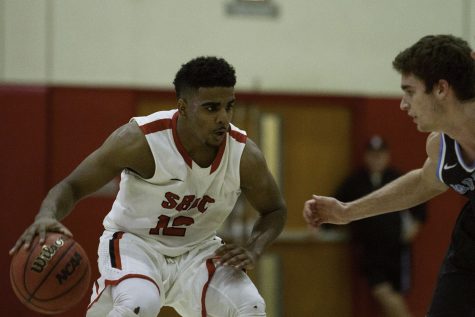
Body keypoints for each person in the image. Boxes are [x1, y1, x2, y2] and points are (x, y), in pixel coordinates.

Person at [10, 56, 287, 317]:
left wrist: (254, 248)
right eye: (211, 108)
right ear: (182, 107)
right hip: (136, 244)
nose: (224, 118)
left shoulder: (243, 155)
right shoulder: (139, 140)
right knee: (140, 303)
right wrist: (46, 216)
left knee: (249, 306)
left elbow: (274, 209)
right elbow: (72, 186)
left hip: (198, 250)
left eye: (229, 106)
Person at [303, 34, 475, 316]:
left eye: (410, 91)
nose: (403, 104)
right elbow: (423, 182)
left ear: (442, 88)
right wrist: (347, 211)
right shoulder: (440, 146)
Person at [333, 135, 426, 317]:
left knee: (395, 295)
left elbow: (420, 207)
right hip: (370, 250)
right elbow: (338, 206)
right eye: (372, 154)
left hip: (396, 249)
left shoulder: (398, 178)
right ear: (366, 156)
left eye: (380, 154)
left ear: (387, 155)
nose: (376, 159)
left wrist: (413, 229)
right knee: (382, 292)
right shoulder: (355, 181)